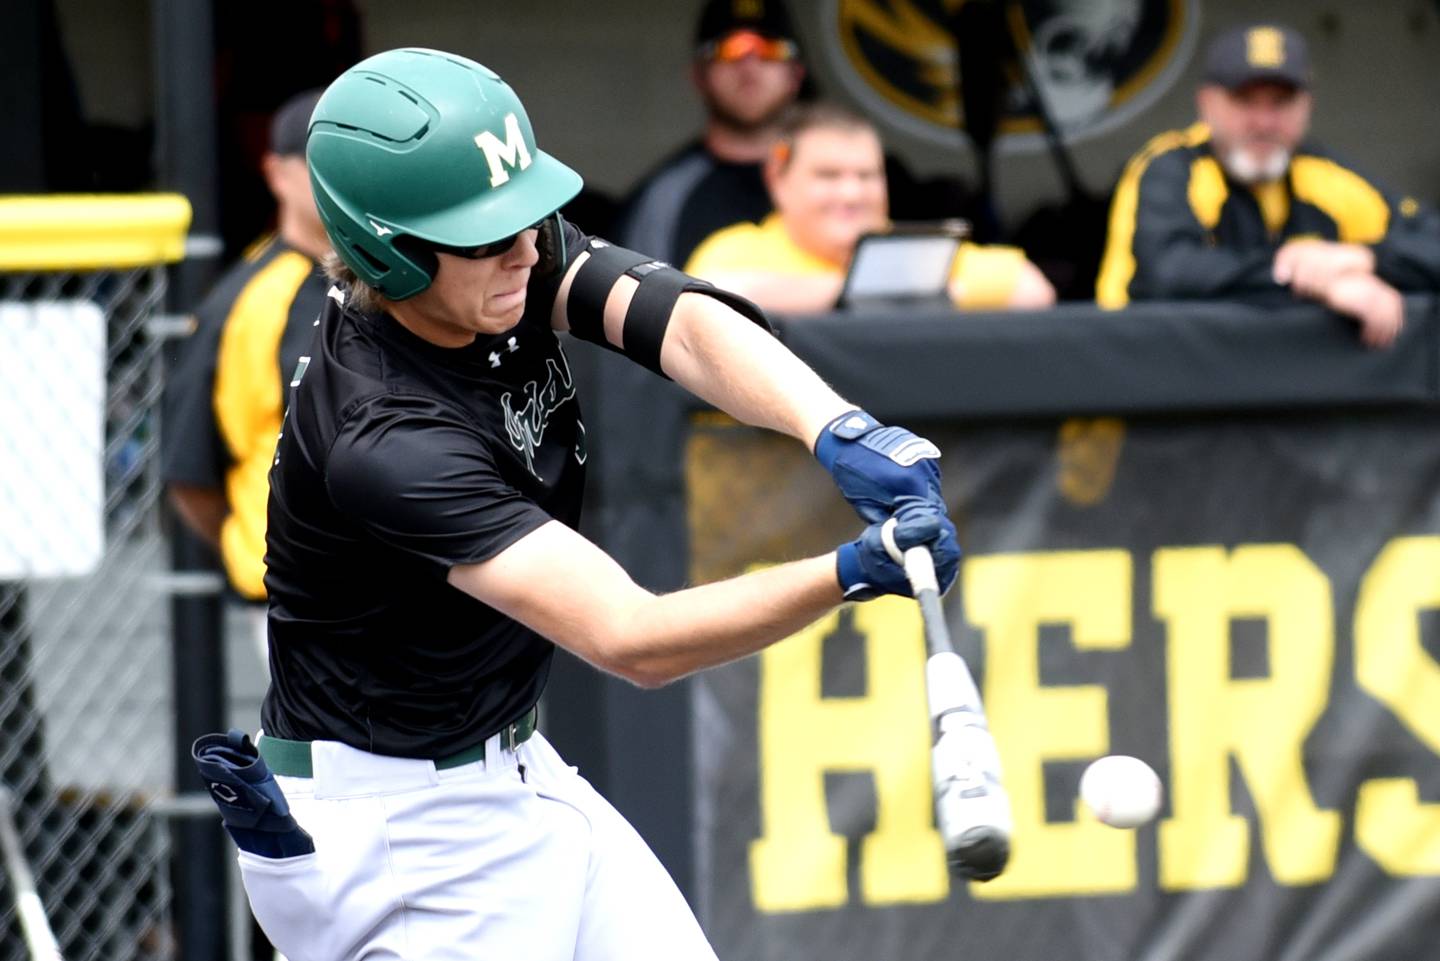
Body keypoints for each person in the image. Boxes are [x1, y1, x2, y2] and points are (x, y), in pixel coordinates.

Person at [221, 48, 962, 961]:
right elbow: (632, 638)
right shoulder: (387, 437)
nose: (528, 250)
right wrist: (847, 570)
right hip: (402, 835)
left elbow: (680, 324)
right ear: (392, 250)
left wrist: (837, 427)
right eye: (489, 234)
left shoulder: (487, 266)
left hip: (511, 765)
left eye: (526, 218)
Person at [1096, 22, 1440, 348]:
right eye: (1244, 101)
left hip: (1269, 378)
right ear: (1206, 103)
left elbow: (1430, 241)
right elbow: (1170, 272)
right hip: (1145, 375)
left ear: (1307, 106)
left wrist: (1364, 258)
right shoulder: (1170, 166)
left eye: (1280, 102)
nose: (1263, 123)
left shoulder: (1322, 173)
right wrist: (1307, 277)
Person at [163, 88, 332, 662]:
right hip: (304, 604)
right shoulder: (248, 301)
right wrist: (261, 551)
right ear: (276, 174)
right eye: (319, 162)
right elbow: (191, 474)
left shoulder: (404, 282)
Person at [684, 101, 1056, 313]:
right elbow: (709, 298)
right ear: (777, 181)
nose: (852, 193)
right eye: (828, 176)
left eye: (867, 176)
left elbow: (1033, 289)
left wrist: (913, 291)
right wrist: (880, 292)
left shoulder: (913, 252)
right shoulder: (739, 248)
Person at [612, 0, 806, 268]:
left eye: (769, 49)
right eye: (728, 50)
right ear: (698, 76)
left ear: (796, 74)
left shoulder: (841, 185)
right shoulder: (663, 199)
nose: (749, 67)